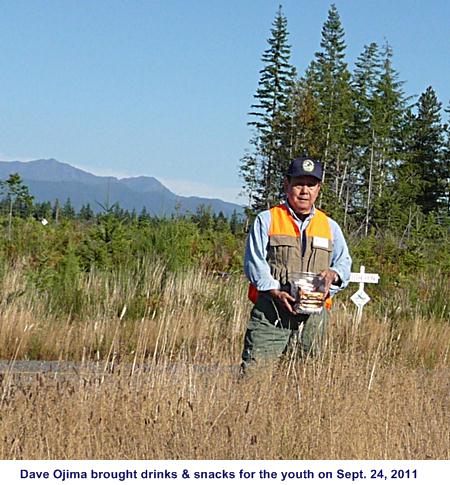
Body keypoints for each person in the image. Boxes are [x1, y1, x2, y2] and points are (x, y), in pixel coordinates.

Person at [241, 156, 352, 370]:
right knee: (255, 377)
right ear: (287, 184)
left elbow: (344, 263)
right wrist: (276, 292)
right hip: (271, 313)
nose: (305, 191)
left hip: (314, 318)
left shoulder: (330, 226)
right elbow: (254, 264)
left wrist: (333, 274)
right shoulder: (267, 219)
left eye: (311, 185)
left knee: (305, 381)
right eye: (299, 184)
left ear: (319, 188)